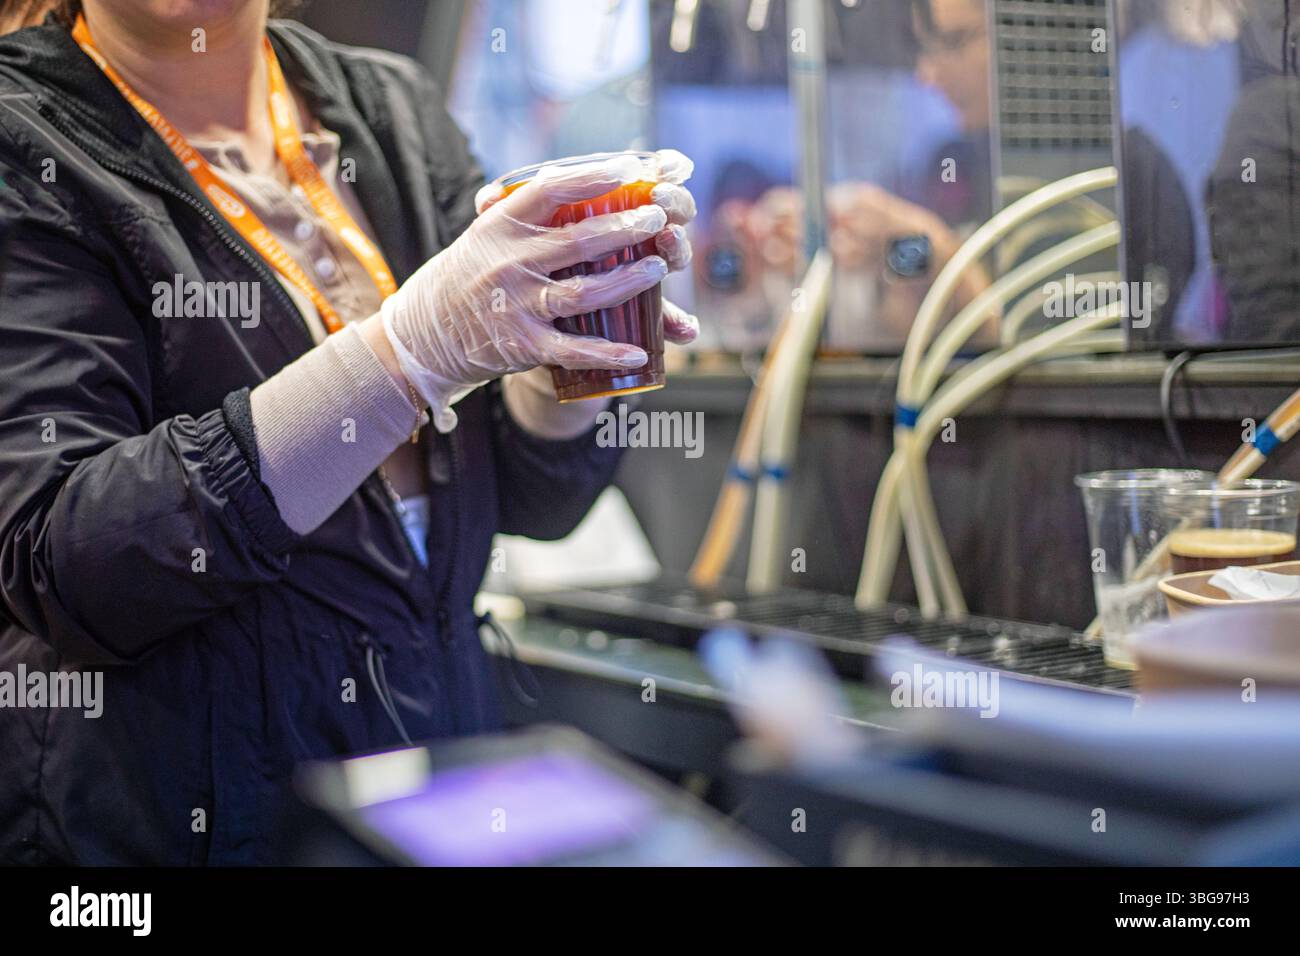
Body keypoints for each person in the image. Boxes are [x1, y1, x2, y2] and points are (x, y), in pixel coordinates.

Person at [0, 0, 698, 864]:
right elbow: (67, 562)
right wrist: (405, 354)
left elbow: (535, 501)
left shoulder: (389, 110)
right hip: (183, 816)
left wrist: (572, 351)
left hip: (431, 776)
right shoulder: (21, 140)